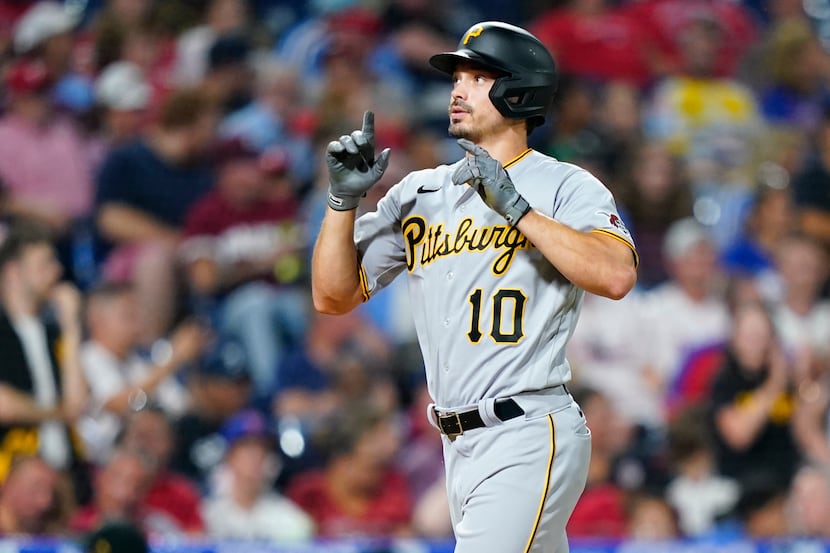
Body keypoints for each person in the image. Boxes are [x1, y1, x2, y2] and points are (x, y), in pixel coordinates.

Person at [311, 21, 638, 552]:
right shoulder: (421, 190)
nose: (457, 89)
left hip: (526, 428)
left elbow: (616, 274)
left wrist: (519, 211)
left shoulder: (563, 185)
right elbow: (332, 295)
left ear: (519, 90)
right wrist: (342, 203)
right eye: (456, 76)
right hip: (456, 443)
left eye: (478, 76)